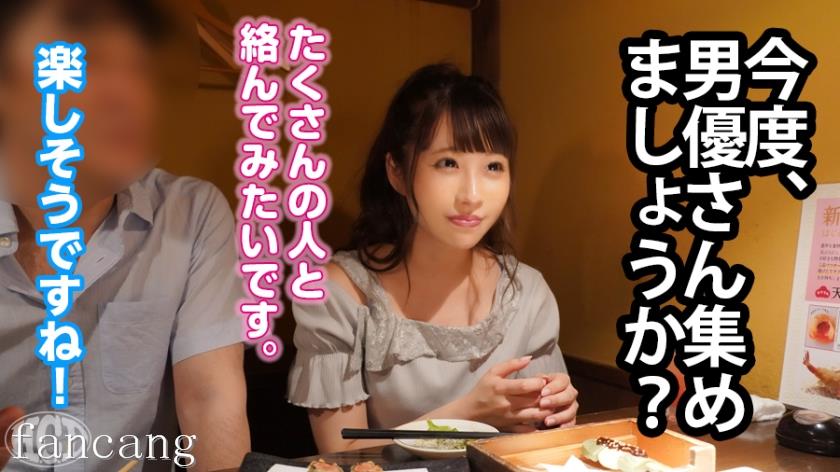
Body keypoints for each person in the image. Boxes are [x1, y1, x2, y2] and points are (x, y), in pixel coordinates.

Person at [0, 1, 249, 470]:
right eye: (86, 63)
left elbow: (211, 400)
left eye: (142, 70)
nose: (129, 95)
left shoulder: (189, 213)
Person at [287, 63, 578, 452]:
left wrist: (557, 417)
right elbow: (344, 460)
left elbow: (541, 448)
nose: (472, 195)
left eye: (493, 167)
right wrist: (469, 411)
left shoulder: (527, 293)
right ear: (397, 171)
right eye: (448, 163)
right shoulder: (339, 294)